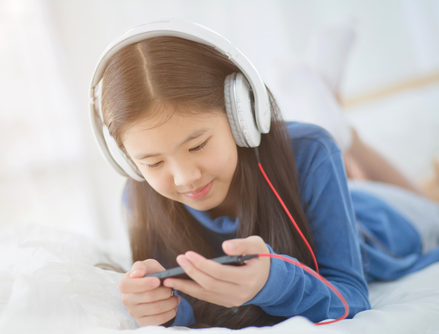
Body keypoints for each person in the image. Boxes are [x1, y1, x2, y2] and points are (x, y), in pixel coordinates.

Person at [89, 19, 439, 329]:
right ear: (126, 161)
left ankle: (346, 133)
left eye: (197, 146)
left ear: (240, 114)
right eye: (152, 163)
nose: (184, 178)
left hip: (374, 222)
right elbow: (189, 310)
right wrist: (163, 310)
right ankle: (331, 106)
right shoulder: (137, 196)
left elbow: (352, 299)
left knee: (428, 206)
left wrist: (275, 283)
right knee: (346, 173)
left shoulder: (311, 150)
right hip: (320, 186)